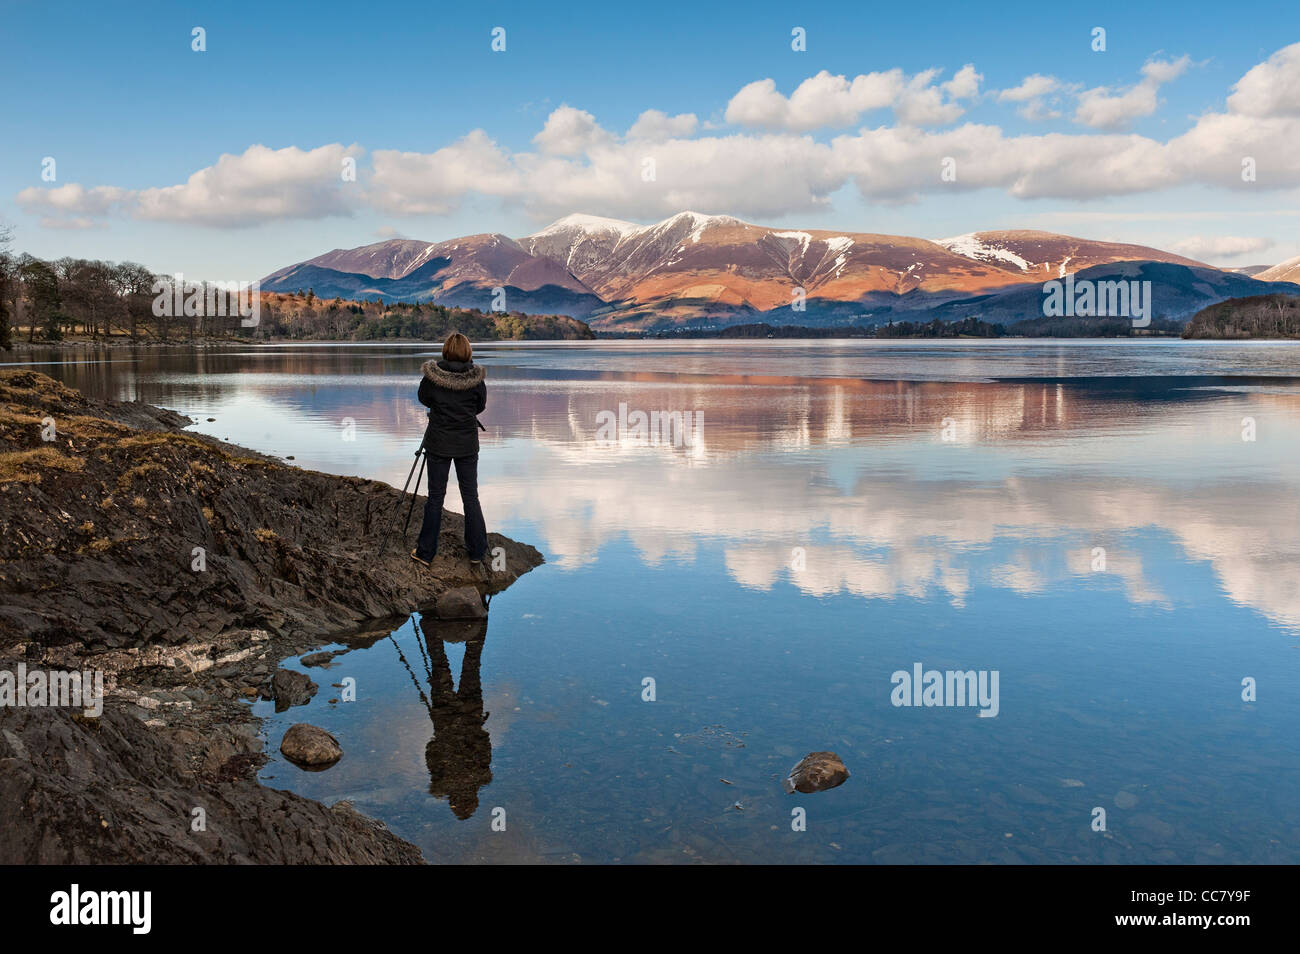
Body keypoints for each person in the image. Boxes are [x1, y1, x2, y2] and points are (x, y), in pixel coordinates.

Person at [411, 332, 489, 570]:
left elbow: (423, 398)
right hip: (466, 443)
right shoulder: (476, 379)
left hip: (439, 442)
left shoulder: (433, 377)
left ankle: (425, 553)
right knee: (470, 496)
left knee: (435, 497)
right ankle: (476, 551)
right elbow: (480, 406)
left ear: (445, 351)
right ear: (468, 352)